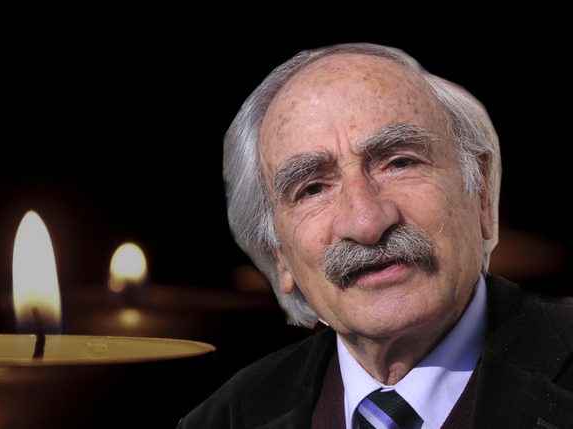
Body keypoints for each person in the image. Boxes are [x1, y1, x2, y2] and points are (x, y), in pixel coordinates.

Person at [179, 43, 572, 428]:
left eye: (399, 162)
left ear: (482, 194)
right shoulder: (223, 419)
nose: (366, 223)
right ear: (278, 253)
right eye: (312, 188)